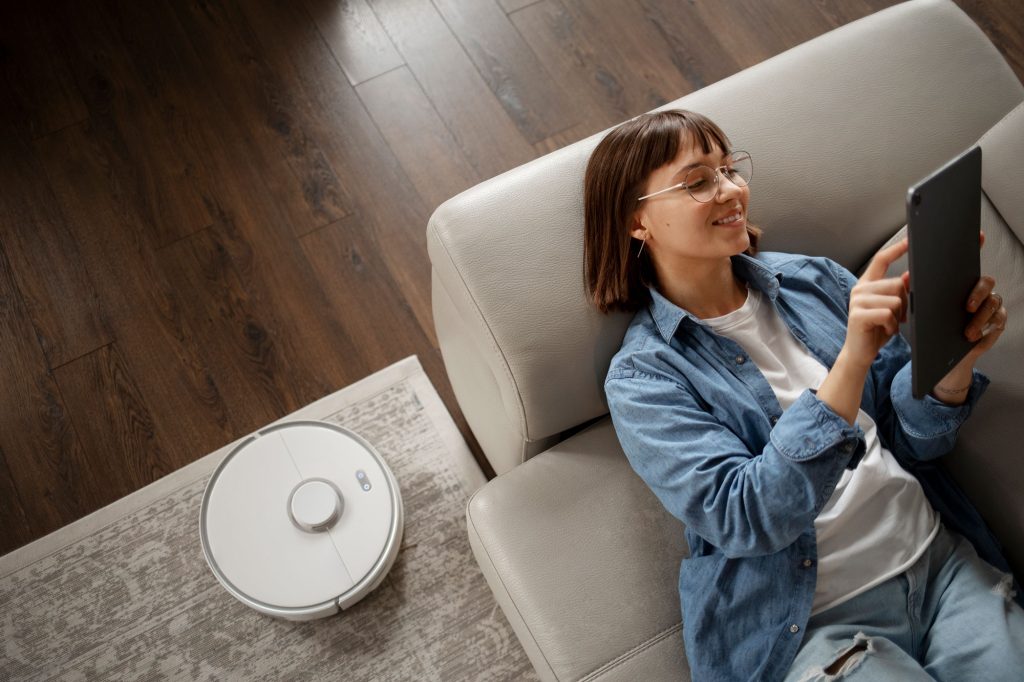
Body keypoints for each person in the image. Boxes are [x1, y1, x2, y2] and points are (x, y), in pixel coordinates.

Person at [583, 109, 1024, 681]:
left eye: (730, 168)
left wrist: (952, 368)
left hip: (942, 567)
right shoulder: (645, 379)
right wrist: (853, 359)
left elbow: (913, 444)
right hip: (815, 628)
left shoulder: (813, 279)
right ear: (635, 222)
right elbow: (747, 517)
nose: (731, 190)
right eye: (698, 181)